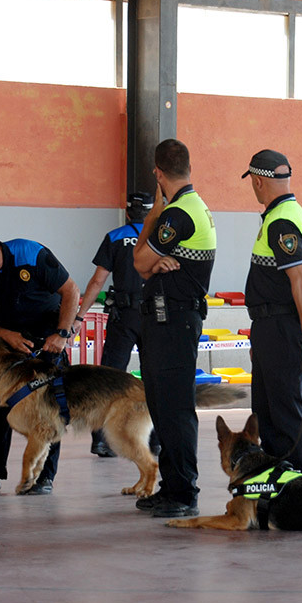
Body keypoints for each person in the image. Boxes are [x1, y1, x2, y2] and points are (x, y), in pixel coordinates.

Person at [0, 234, 79, 495]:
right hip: (6, 341)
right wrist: (4, 335)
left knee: (48, 410)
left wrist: (62, 334)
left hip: (46, 338)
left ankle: (44, 477)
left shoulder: (29, 254)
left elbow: (71, 291)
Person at [132, 139, 216, 517]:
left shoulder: (177, 214)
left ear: (158, 173)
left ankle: (183, 492)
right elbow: (148, 264)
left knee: (175, 409)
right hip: (170, 321)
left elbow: (138, 261)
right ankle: (172, 487)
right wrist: (154, 262)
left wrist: (152, 218)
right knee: (163, 408)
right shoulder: (190, 208)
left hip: (174, 322)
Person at [242, 149, 302, 475]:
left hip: (281, 326)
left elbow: (300, 279)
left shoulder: (282, 221)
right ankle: (277, 480)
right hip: (272, 326)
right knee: (268, 410)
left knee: (284, 410)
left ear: (259, 181)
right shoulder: (290, 214)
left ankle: (298, 483)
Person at [74, 190, 154, 458]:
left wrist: (79, 316)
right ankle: (156, 440)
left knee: (109, 379)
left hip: (124, 316)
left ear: (128, 212)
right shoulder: (159, 238)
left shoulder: (116, 237)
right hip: (154, 316)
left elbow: (97, 281)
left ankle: (102, 440)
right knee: (154, 377)